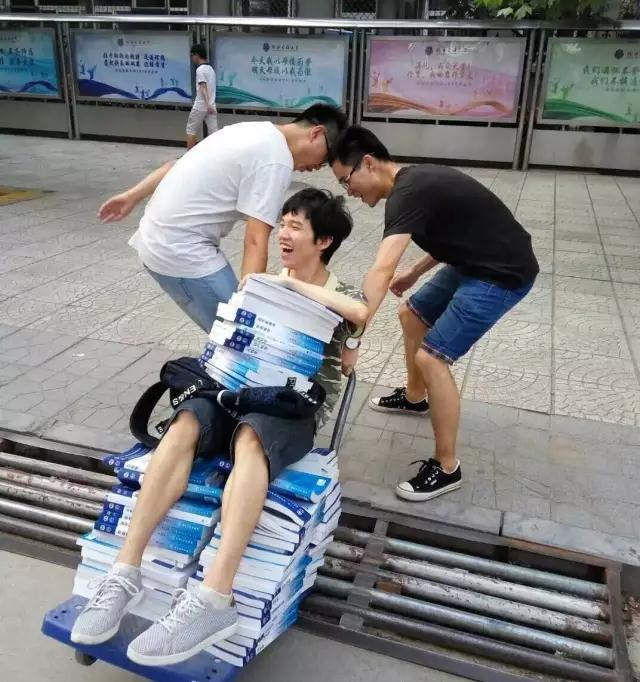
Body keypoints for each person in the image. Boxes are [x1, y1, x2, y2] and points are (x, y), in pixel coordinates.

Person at [70, 188, 367, 666]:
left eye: (296, 227)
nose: (284, 234)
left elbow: (359, 316)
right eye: (283, 223)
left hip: (291, 408)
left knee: (251, 436)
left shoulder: (339, 291)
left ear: (324, 241)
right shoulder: (265, 282)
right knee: (186, 419)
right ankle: (124, 572)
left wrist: (287, 287)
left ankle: (214, 597)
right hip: (236, 392)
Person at [330, 126, 539, 502]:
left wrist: (354, 336)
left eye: (347, 180)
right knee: (412, 314)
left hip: (502, 274)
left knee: (433, 358)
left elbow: (381, 268)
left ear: (369, 163)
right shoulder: (414, 184)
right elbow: (456, 232)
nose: (349, 191)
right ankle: (415, 397)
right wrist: (414, 272)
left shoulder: (407, 193)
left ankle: (447, 468)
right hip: (475, 260)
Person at [97, 104, 347, 334]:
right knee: (243, 336)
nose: (318, 167)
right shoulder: (276, 159)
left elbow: (175, 165)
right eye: (325, 158)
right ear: (316, 133)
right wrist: (253, 305)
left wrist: (131, 196)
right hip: (180, 248)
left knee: (234, 335)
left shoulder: (252, 130)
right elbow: (255, 240)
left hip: (158, 237)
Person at [186, 44, 217, 149]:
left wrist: (207, 104)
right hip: (212, 105)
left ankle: (190, 156)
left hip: (201, 105)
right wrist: (210, 105)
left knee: (191, 129)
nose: (192, 58)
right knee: (214, 133)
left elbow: (203, 87)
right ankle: (215, 155)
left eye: (192, 55)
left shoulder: (200, 70)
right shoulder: (211, 69)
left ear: (197, 55)